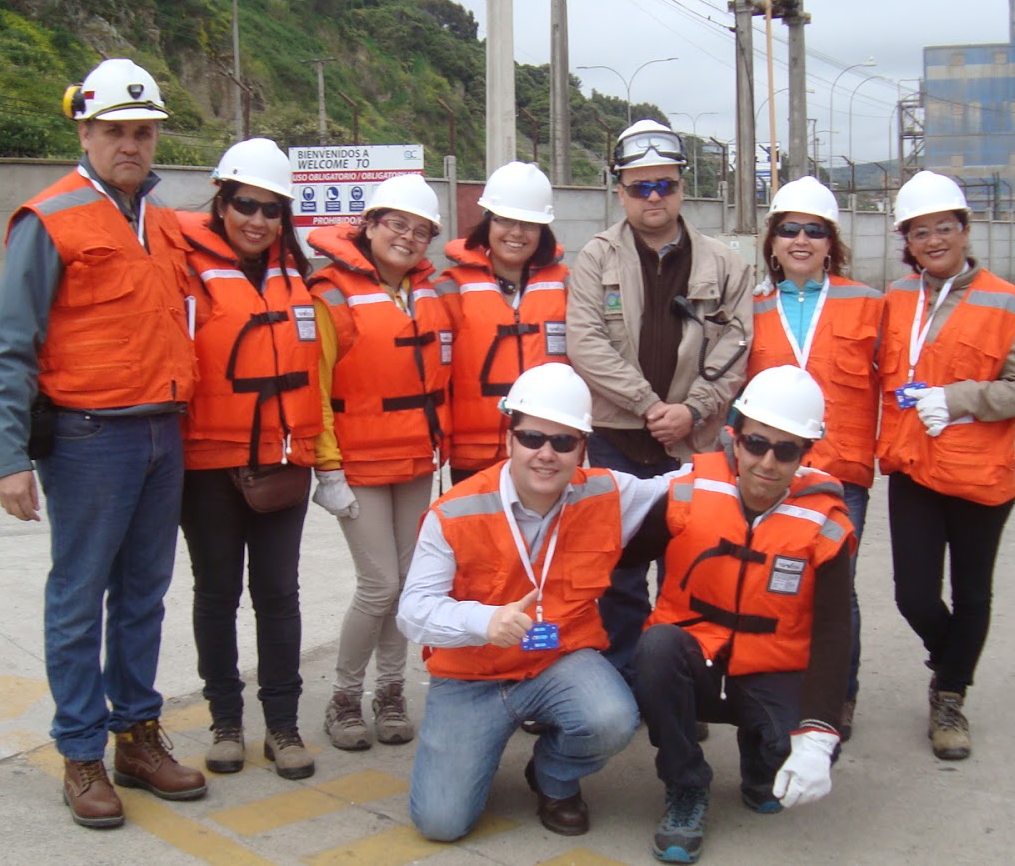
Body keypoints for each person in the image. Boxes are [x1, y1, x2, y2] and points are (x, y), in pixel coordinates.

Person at [0, 58, 205, 828]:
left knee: (143, 595)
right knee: (78, 599)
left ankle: (135, 737)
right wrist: (11, 458)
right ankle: (80, 751)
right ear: (85, 130)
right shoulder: (49, 218)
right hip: (86, 439)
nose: (132, 145)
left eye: (143, 132)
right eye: (115, 131)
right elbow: (9, 347)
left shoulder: (166, 222)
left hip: (161, 434)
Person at [397, 363, 679, 842]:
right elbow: (413, 611)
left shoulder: (607, 492)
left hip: (557, 662)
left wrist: (775, 464)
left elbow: (685, 486)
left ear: (582, 448)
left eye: (564, 442)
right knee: (440, 824)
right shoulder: (455, 512)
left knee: (613, 719)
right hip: (473, 677)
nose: (546, 454)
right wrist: (484, 620)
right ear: (510, 438)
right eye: (532, 438)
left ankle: (554, 776)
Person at [633, 365, 855, 863]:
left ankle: (761, 765)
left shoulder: (826, 523)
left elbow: (835, 633)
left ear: (806, 455)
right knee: (655, 649)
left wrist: (819, 734)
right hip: (696, 661)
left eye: (788, 450)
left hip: (772, 668)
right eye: (757, 444)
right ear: (734, 438)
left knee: (797, 748)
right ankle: (687, 786)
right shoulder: (689, 490)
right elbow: (621, 559)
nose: (768, 463)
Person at [566, 119, 754, 679]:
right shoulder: (596, 259)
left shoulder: (724, 265)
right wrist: (650, 407)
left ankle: (677, 683)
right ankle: (623, 673)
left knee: (689, 564)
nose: (653, 196)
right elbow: (586, 343)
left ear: (681, 187)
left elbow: (734, 346)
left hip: (692, 443)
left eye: (664, 185)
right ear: (619, 189)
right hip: (615, 439)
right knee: (617, 571)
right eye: (640, 186)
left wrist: (691, 411)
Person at [878, 170, 1015, 760]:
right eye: (920, 232)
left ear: (966, 230)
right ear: (907, 241)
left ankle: (949, 697)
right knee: (914, 596)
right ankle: (951, 661)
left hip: (979, 476)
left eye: (944, 227)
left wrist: (960, 398)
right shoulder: (897, 298)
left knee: (973, 596)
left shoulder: (1007, 302)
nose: (933, 241)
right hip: (915, 469)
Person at [176, 138, 325, 781]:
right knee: (216, 595)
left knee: (279, 596)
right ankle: (227, 722)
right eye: (245, 204)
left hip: (281, 463)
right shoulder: (183, 267)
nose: (257, 220)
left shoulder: (301, 276)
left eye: (271, 209)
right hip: (207, 464)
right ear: (221, 197)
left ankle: (283, 726)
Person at [306, 174, 452, 752]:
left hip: (415, 460)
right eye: (396, 224)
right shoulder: (330, 294)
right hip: (358, 466)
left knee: (408, 585)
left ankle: (389, 692)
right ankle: (344, 698)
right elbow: (315, 390)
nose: (408, 238)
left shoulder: (428, 292)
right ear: (368, 225)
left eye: (421, 231)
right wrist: (328, 470)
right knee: (379, 584)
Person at [745, 176, 882, 742]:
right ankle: (774, 680)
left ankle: (837, 694)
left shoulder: (870, 304)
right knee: (772, 581)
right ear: (772, 241)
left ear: (832, 242)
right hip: (770, 472)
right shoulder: (752, 307)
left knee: (835, 590)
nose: (801, 240)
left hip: (841, 473)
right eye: (789, 230)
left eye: (814, 231)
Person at [437, 161, 569, 485]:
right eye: (505, 220)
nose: (516, 233)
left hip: (547, 450)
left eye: (529, 224)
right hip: (474, 453)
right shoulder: (449, 288)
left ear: (543, 230)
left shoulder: (568, 287)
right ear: (487, 222)